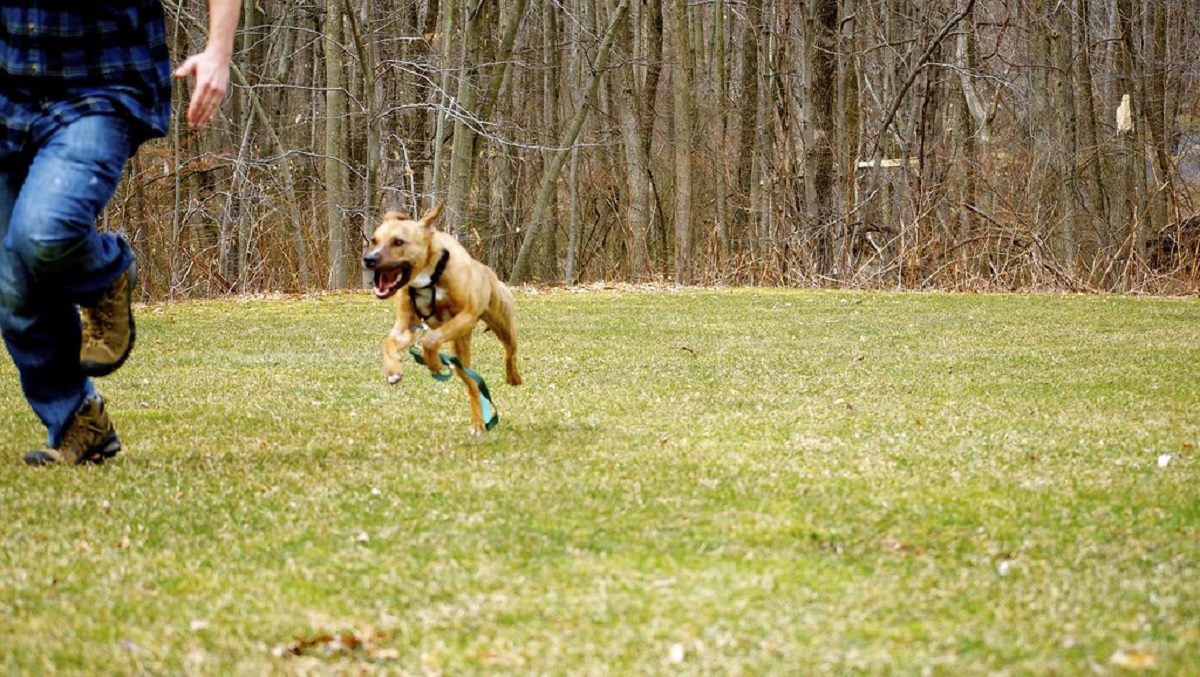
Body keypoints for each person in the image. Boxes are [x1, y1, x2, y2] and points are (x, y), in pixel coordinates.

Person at [0, 2, 240, 465]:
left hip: (99, 84)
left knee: (43, 233)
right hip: (10, 96)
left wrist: (219, 50)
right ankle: (77, 422)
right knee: (13, 292)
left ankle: (108, 273)